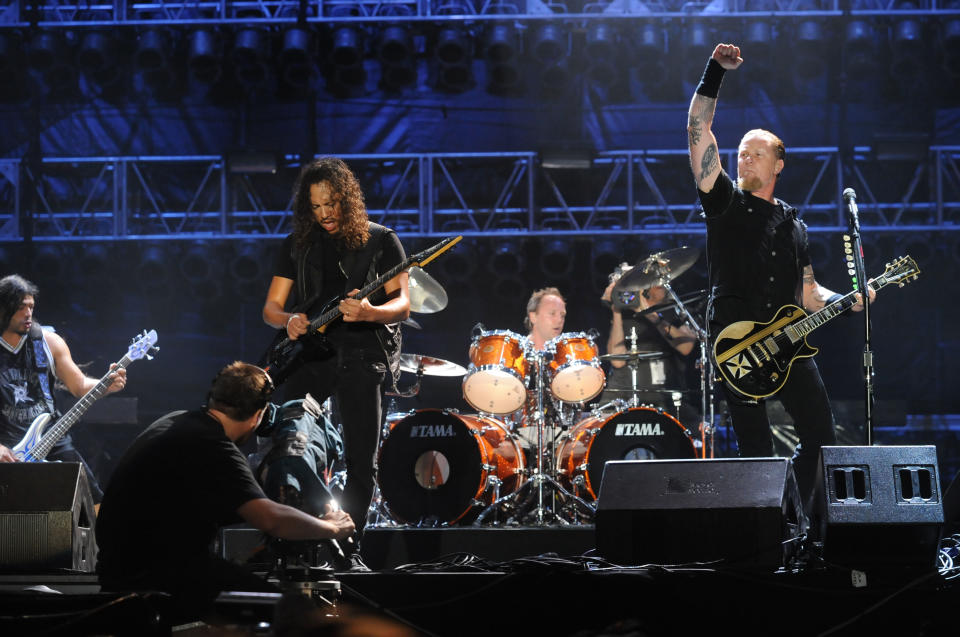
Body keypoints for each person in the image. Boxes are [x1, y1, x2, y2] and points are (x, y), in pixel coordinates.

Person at [686, 43, 874, 504]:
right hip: (739, 342)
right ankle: (765, 541)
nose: (744, 158)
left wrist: (848, 301)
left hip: (789, 342)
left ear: (778, 164)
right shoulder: (724, 201)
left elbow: (810, 293)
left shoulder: (794, 223)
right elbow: (697, 128)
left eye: (755, 152)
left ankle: (796, 521)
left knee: (822, 437)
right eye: (740, 152)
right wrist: (715, 72)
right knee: (756, 449)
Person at [95, 361, 355, 623]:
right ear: (259, 414)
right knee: (297, 616)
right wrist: (330, 527)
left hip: (120, 568)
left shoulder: (176, 421)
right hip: (157, 576)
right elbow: (270, 519)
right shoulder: (214, 446)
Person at [262, 157, 410, 571]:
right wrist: (288, 320)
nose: (325, 214)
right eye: (316, 206)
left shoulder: (382, 240)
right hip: (309, 358)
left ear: (347, 199)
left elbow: (403, 303)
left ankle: (350, 546)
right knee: (293, 448)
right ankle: (296, 543)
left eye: (331, 204)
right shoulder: (296, 245)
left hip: (362, 357)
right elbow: (271, 308)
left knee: (362, 459)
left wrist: (370, 313)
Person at [0, 274, 126, 502]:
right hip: (6, 445)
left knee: (93, 499)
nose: (28, 314)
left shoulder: (48, 343)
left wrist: (107, 384)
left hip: (50, 437)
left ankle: (101, 537)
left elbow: (79, 386)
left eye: (31, 306)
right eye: (20, 308)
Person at [599, 270, 698, 420]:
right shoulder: (624, 312)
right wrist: (617, 307)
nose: (660, 285)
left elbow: (685, 347)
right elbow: (617, 360)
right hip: (624, 395)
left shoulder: (677, 310)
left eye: (662, 281)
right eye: (653, 281)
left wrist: (650, 313)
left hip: (666, 397)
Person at [524, 286, 566, 352]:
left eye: (562, 315)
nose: (559, 320)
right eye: (552, 313)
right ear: (533, 317)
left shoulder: (568, 356)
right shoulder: (513, 356)